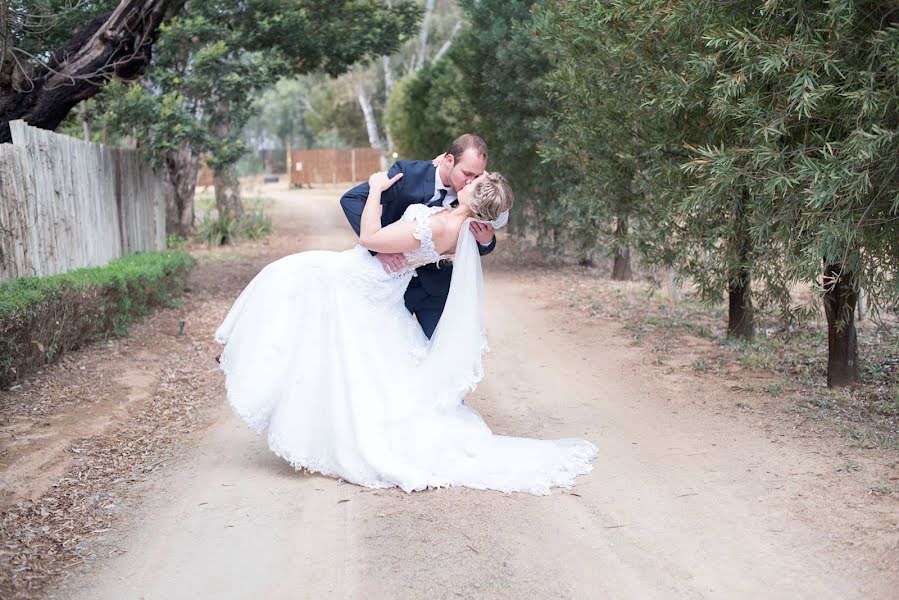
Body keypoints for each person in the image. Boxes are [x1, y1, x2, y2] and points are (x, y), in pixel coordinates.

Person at [215, 167, 597, 495]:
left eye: (473, 181)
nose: (466, 181)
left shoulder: (439, 225)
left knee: (287, 277)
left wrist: (377, 189)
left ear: (470, 195)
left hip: (360, 281)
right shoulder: (459, 226)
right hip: (383, 288)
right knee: (354, 360)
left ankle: (309, 418)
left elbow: (369, 239)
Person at [340, 134, 497, 339]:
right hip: (390, 284)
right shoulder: (409, 174)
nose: (470, 181)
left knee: (441, 352)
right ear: (449, 160)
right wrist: (380, 248)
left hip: (436, 288)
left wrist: (486, 241)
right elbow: (351, 199)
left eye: (477, 176)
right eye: (467, 173)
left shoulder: (471, 194)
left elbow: (478, 237)